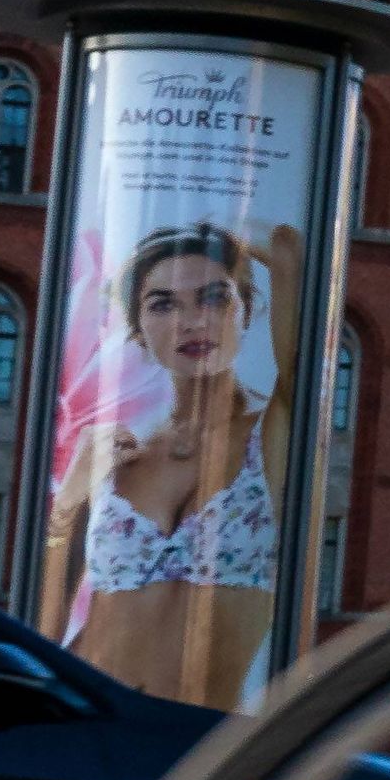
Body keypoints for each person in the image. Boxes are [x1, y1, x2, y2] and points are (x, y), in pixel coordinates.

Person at [47, 226, 279, 706]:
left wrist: (232, 226)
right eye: (162, 304)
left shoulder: (272, 434)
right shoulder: (110, 450)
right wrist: (67, 504)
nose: (192, 322)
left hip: (206, 739)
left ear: (248, 310)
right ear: (137, 330)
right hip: (92, 721)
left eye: (214, 298)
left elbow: (292, 255)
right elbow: (44, 632)